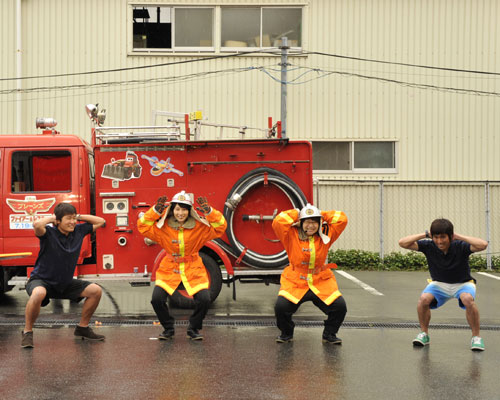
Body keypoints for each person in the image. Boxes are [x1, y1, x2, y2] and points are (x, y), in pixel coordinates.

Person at [137, 191, 227, 341]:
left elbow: (220, 227)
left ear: (189, 211)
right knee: (156, 299)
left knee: (205, 299)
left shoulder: (199, 227)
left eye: (184, 209)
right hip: (169, 269)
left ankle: (193, 328)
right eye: (177, 209)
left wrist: (209, 212)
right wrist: (155, 211)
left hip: (193, 269)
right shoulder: (163, 227)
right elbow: (143, 226)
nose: (180, 213)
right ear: (172, 210)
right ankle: (168, 328)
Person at [22, 203, 106, 348]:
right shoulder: (48, 233)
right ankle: (27, 332)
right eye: (68, 218)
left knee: (95, 291)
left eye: (74, 218)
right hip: (42, 281)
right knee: (38, 293)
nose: (72, 222)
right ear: (58, 221)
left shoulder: (78, 231)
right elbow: (37, 225)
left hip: (65, 283)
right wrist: (53, 218)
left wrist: (76, 216)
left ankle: (82, 328)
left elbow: (101, 221)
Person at [398, 218, 488, 351]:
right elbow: (402, 243)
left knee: (468, 299)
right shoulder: (429, 246)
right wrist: (426, 234)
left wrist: (458, 236)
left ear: (450, 236)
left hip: (462, 284)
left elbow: (483, 245)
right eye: (436, 237)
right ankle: (424, 334)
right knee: (423, 299)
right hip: (439, 284)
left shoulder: (460, 246)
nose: (439, 241)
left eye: (443, 237)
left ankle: (476, 337)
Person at [272, 203, 348, 344]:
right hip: (295, 282)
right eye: (307, 221)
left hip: (321, 281)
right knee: (281, 307)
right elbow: (278, 221)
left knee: (340, 307)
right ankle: (286, 333)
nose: (311, 226)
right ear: (301, 223)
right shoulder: (290, 234)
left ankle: (329, 334)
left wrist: (321, 214)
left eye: (314, 222)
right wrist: (297, 213)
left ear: (319, 223)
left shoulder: (326, 233)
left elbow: (342, 219)